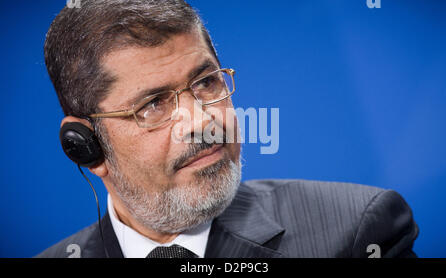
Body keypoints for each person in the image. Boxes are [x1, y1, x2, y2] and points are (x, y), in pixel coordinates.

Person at [36, 0, 418, 258]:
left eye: (206, 82)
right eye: (153, 104)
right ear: (86, 146)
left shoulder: (358, 232)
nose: (203, 122)